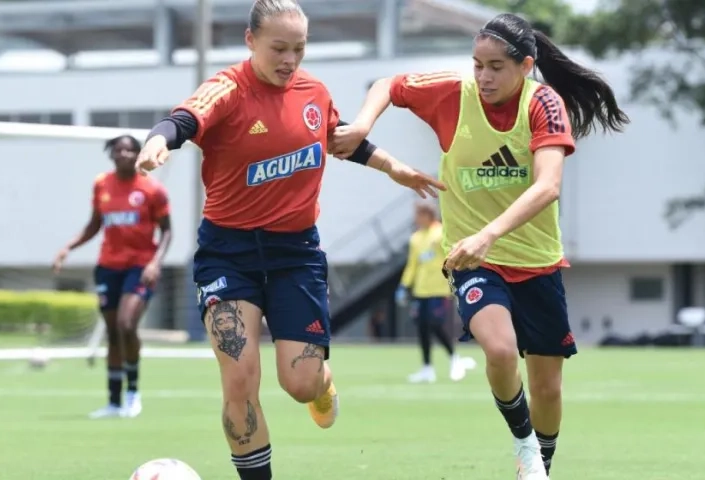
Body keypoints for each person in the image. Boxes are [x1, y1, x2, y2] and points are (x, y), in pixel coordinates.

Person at [134, 1, 444, 479]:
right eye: (278, 48)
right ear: (250, 41)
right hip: (227, 254)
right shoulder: (228, 89)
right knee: (239, 380)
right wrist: (160, 141)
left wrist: (394, 167)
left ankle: (322, 383)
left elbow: (343, 139)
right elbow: (183, 120)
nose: (289, 59)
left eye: (298, 49)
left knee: (299, 383)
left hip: (294, 255)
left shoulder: (313, 94)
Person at [332, 13, 629, 480]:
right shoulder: (454, 93)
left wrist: (490, 233)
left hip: (536, 261)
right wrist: (361, 126)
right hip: (473, 260)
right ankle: (524, 447)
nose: (484, 76)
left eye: (496, 67)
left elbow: (548, 185)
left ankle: (540, 466)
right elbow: (389, 83)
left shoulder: (544, 103)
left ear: (526, 65)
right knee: (501, 350)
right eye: (477, 64)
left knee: (548, 388)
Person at [53, 135, 173, 419]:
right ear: (111, 154)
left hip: (140, 267)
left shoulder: (152, 190)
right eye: (118, 150)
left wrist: (155, 262)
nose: (124, 154)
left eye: (130, 149)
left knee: (126, 324)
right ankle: (113, 401)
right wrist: (68, 247)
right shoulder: (102, 185)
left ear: (138, 154)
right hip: (108, 266)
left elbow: (167, 230)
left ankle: (133, 394)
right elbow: (95, 224)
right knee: (112, 333)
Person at [397, 200, 475, 383]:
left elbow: (452, 256)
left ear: (426, 215)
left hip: (439, 290)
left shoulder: (441, 234)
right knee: (422, 327)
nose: (416, 219)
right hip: (421, 290)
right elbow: (412, 265)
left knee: (435, 323)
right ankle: (427, 368)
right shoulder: (415, 238)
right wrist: (404, 285)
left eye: (418, 215)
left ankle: (454, 359)